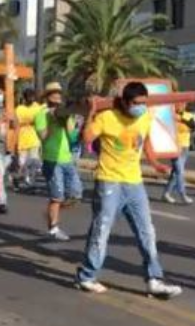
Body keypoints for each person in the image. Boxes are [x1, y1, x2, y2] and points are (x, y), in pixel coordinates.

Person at [76, 82, 183, 298]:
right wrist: (92, 112)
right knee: (101, 229)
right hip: (109, 181)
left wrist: (155, 164)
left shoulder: (144, 118)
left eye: (143, 104)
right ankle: (87, 276)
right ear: (125, 102)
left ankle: (154, 279)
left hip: (134, 182)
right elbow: (86, 138)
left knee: (146, 232)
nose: (139, 108)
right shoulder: (107, 118)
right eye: (135, 104)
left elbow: (145, 143)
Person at [34, 82, 82, 241]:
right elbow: (42, 137)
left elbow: (72, 136)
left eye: (59, 93)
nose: (57, 95)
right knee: (57, 196)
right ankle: (53, 228)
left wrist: (66, 120)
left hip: (67, 158)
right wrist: (51, 120)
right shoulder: (41, 113)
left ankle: (51, 211)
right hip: (51, 159)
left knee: (76, 194)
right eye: (53, 92)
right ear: (47, 96)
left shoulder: (65, 112)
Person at [163, 102, 195, 205]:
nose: (181, 105)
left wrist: (181, 118)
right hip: (174, 147)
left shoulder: (189, 115)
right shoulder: (169, 115)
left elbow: (193, 126)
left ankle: (166, 193)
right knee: (180, 171)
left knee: (175, 173)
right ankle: (183, 194)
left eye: (183, 104)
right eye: (178, 103)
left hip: (185, 147)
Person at [13, 88, 44, 190]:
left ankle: (30, 181)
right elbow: (16, 124)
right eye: (28, 96)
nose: (30, 98)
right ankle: (21, 179)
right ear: (25, 97)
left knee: (33, 161)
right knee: (22, 162)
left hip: (34, 138)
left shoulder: (38, 108)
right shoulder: (19, 109)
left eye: (32, 96)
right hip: (22, 138)